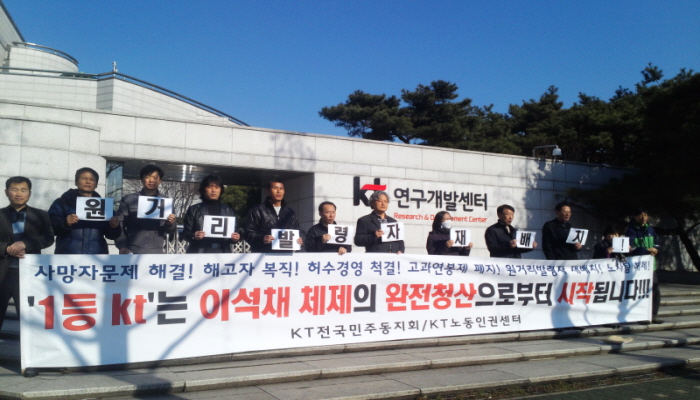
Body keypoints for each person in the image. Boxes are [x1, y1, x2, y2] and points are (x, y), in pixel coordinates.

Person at [0, 176, 54, 331]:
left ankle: (26, 348)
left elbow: (48, 238)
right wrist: (6, 248)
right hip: (3, 273)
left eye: (23, 190)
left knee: (29, 320)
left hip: (29, 274)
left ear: (29, 193)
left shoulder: (41, 215)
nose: (19, 193)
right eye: (14, 189)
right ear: (6, 192)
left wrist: (26, 244)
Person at [48, 167, 121, 254]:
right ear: (76, 182)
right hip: (68, 254)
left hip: (97, 254)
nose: (88, 182)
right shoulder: (62, 203)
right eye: (84, 178)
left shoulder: (104, 206)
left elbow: (112, 236)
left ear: (96, 184)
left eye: (92, 179)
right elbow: (50, 228)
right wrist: (65, 223)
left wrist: (114, 227)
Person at [116, 165, 176, 254]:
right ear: (141, 179)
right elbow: (120, 224)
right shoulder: (129, 199)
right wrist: (122, 245)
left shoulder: (166, 202)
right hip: (131, 250)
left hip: (156, 251)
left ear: (160, 181)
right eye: (147, 177)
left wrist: (170, 224)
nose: (151, 180)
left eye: (155, 178)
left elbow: (171, 230)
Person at [182, 175, 240, 253]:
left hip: (222, 252)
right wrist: (193, 235)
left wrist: (235, 238)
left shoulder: (228, 211)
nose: (213, 190)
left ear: (221, 190)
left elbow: (233, 233)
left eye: (217, 187)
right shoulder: (194, 209)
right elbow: (185, 233)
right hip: (199, 251)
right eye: (209, 187)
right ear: (203, 189)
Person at [244, 179, 303, 253]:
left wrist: (301, 238)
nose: (278, 191)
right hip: (263, 255)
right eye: (275, 188)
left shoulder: (290, 213)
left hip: (285, 255)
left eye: (281, 188)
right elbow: (248, 233)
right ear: (268, 191)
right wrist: (262, 239)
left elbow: (298, 231)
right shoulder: (257, 210)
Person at [626, 208, 662, 324]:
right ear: (635, 217)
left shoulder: (650, 229)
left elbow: (657, 243)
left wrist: (656, 249)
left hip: (651, 266)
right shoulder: (631, 230)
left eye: (645, 215)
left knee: (655, 291)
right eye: (640, 215)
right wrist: (646, 250)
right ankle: (640, 316)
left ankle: (653, 315)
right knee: (640, 292)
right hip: (638, 267)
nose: (643, 217)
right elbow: (630, 248)